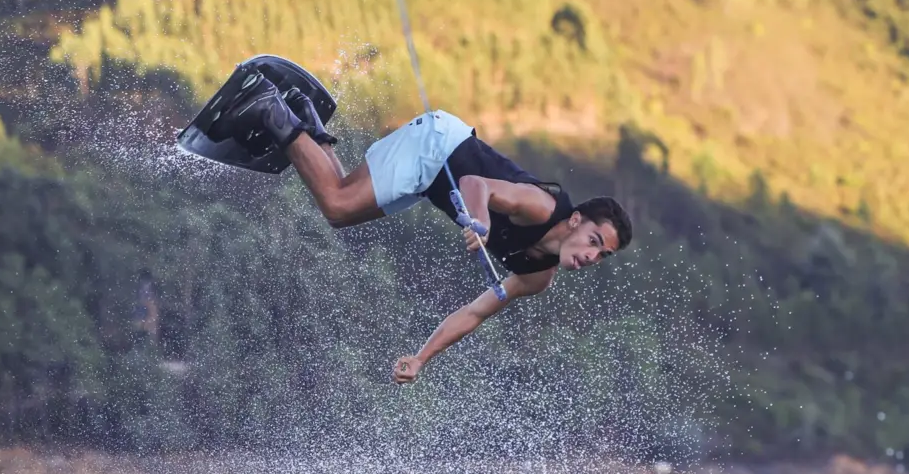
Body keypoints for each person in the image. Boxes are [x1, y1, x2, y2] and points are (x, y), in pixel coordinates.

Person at [210, 72, 633, 384]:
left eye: (602, 255)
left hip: (431, 178)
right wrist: (481, 222)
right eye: (594, 241)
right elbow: (477, 184)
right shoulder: (543, 207)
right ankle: (268, 106)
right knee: (337, 205)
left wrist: (422, 357)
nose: (591, 256)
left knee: (341, 204)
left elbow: (474, 313)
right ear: (576, 220)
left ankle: (304, 118)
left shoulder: (539, 276)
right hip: (439, 148)